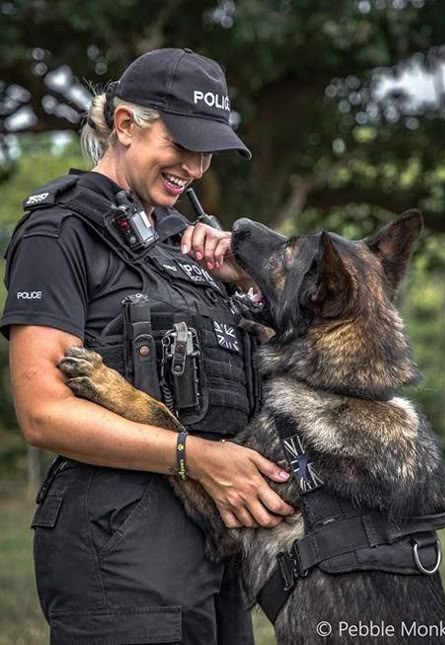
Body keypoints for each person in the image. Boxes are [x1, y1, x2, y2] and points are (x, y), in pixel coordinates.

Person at [0, 48, 294, 645]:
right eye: (181, 143)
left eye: (207, 149)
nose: (195, 165)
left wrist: (249, 281)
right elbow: (43, 412)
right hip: (119, 549)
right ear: (126, 125)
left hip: (214, 548)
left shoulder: (184, 248)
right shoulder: (58, 233)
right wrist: (199, 457)